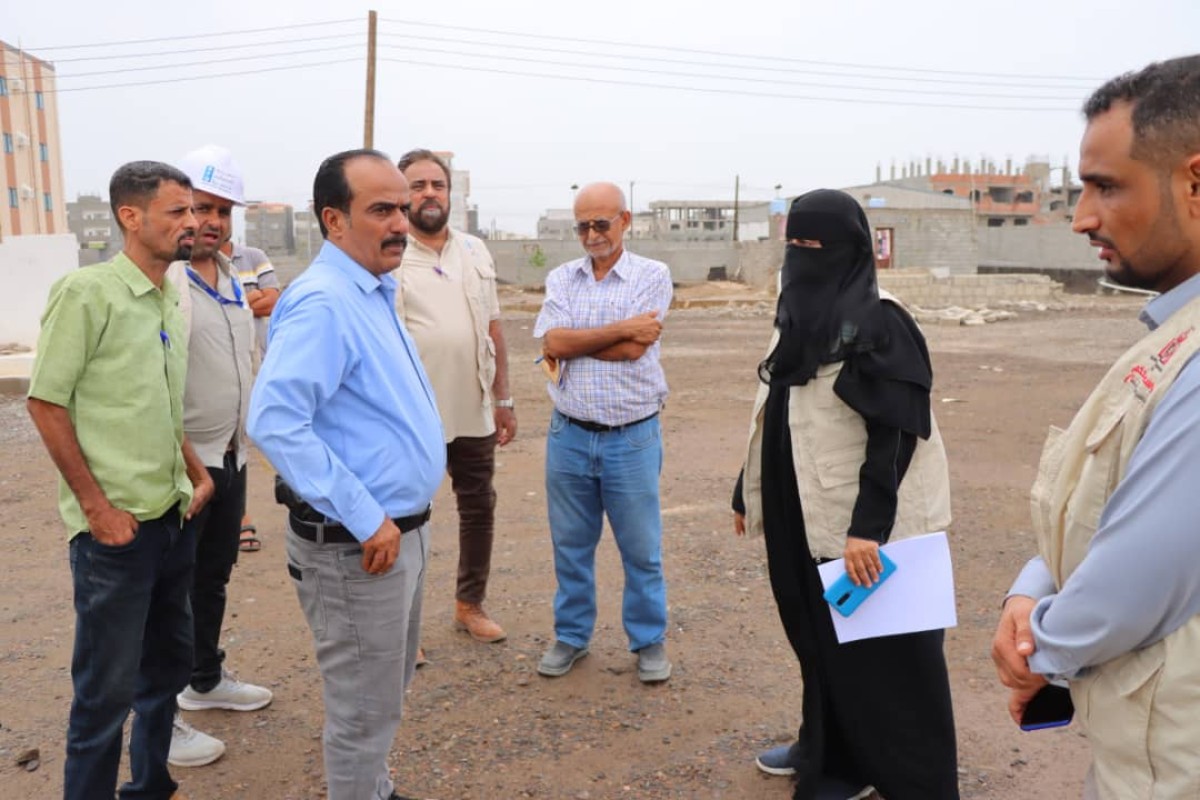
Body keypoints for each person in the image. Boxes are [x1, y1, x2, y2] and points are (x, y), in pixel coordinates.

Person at [992, 55, 1200, 799]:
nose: (1082, 217)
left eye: (1106, 186)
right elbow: (1109, 497)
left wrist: (1037, 645)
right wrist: (1029, 590)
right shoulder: (1174, 334)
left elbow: (1138, 577)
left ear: (1195, 184)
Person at [733, 189, 958, 800]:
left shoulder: (881, 319)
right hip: (799, 507)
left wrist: (869, 527)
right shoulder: (797, 311)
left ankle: (917, 782)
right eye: (795, 244)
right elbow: (778, 405)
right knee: (818, 640)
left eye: (818, 246)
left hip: (864, 520)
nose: (805, 256)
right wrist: (746, 492)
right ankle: (832, 758)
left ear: (853, 250)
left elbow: (897, 430)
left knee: (891, 658)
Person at [247, 149, 444, 800]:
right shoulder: (324, 301)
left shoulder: (377, 287)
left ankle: (374, 791)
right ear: (334, 220)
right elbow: (276, 421)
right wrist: (367, 516)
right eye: (381, 209)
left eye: (403, 207)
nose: (401, 221)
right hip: (361, 544)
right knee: (363, 711)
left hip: (397, 535)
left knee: (383, 694)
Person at [26, 161, 214, 800]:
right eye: (177, 212)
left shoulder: (168, 292)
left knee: (165, 672)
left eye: (193, 211)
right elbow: (46, 403)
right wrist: (96, 508)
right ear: (130, 218)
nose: (192, 223)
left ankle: (151, 786)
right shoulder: (88, 293)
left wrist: (194, 473)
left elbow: (157, 400)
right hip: (116, 535)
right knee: (103, 697)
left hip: (173, 517)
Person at [532, 181, 673, 683]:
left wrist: (575, 342)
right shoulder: (561, 278)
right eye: (583, 226)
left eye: (601, 224)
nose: (592, 235)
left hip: (630, 438)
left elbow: (637, 350)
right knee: (570, 545)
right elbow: (552, 340)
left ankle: (649, 641)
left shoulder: (652, 276)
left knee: (641, 550)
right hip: (569, 434)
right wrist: (617, 330)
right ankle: (571, 635)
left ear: (625, 221)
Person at [164, 145, 273, 769]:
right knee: (169, 588)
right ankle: (163, 713)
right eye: (201, 208)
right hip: (184, 465)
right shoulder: (168, 283)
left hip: (231, 457)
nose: (211, 222)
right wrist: (188, 464)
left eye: (223, 211)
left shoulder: (233, 278)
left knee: (213, 576)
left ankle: (203, 679)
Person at [394, 148, 516, 646]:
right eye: (417, 186)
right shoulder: (389, 252)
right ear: (402, 196)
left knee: (478, 507)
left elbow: (493, 326)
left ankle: (470, 604)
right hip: (412, 414)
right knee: (406, 517)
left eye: (436, 185)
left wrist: (503, 398)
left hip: (473, 407)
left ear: (450, 194)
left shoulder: (473, 250)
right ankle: (403, 626)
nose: (428, 194)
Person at [221, 234, 280, 553]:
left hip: (261, 364)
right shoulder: (191, 262)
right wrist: (251, 301)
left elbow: (274, 298)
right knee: (234, 444)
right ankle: (240, 517)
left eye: (224, 211)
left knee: (272, 434)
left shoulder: (253, 257)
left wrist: (235, 304)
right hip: (225, 365)